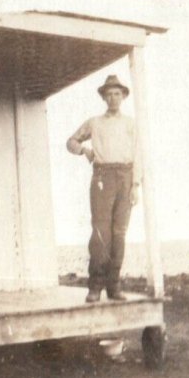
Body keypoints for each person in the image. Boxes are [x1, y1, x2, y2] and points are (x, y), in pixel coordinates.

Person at [66, 74, 141, 302]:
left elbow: (139, 154)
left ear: (124, 96)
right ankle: (95, 287)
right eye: (109, 94)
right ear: (103, 97)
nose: (113, 98)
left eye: (117, 93)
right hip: (102, 176)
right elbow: (71, 142)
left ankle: (114, 287)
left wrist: (135, 185)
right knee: (101, 234)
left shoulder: (131, 124)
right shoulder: (94, 123)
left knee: (119, 233)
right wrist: (85, 151)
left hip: (126, 176)